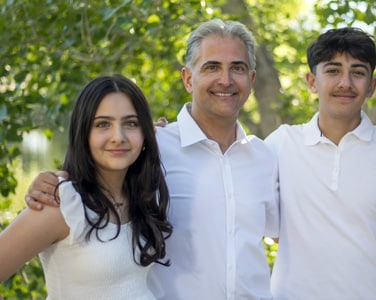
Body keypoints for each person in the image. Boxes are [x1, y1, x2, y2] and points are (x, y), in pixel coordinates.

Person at [24, 19, 279, 299]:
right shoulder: (148, 150)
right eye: (212, 67)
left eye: (238, 68)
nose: (226, 80)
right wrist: (56, 180)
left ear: (251, 80)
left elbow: (295, 235)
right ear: (187, 78)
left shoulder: (266, 158)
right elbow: (90, 179)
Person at [265, 27, 376, 299]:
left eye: (357, 72)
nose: (345, 82)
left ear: (371, 86)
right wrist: (161, 138)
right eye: (333, 71)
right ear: (312, 81)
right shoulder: (281, 143)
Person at [0, 75, 172, 299]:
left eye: (130, 123)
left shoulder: (142, 197)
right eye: (103, 124)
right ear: (83, 133)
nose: (118, 137)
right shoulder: (60, 203)